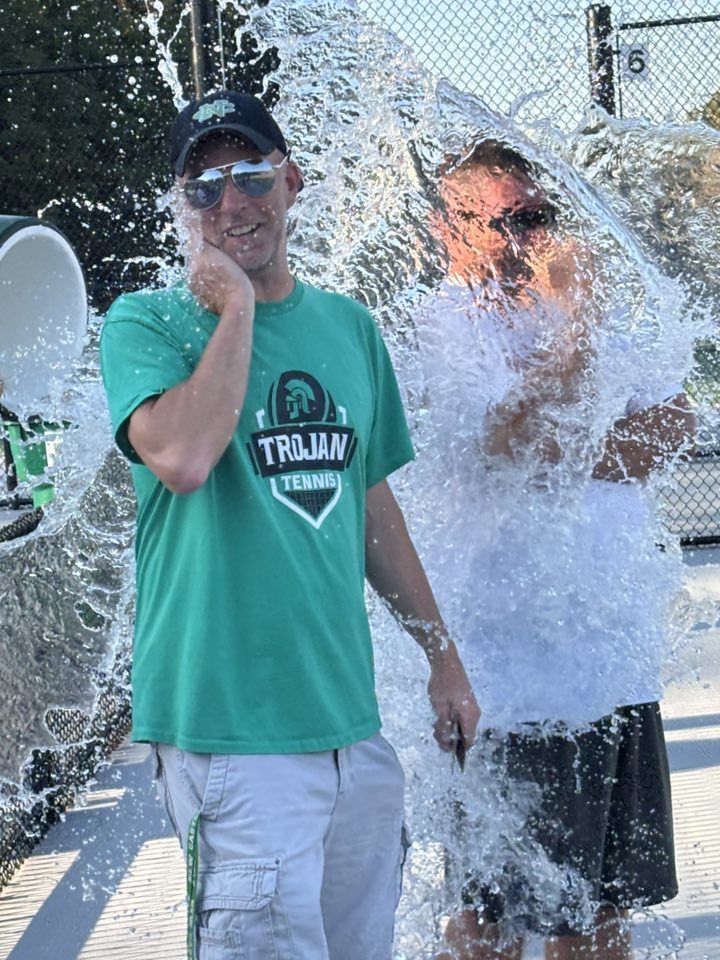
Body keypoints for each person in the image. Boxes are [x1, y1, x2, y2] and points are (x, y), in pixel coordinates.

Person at [99, 89, 480, 960]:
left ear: (292, 180)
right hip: (233, 742)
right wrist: (236, 309)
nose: (230, 202)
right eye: (203, 188)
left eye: (250, 175)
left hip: (350, 731)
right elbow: (184, 456)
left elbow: (370, 505)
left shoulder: (348, 327)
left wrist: (443, 656)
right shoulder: (148, 322)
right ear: (181, 209)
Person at [416, 140, 695, 960]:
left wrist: (570, 448)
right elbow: (507, 446)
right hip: (512, 688)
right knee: (492, 922)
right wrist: (573, 333)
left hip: (611, 671)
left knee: (603, 917)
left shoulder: (582, 313)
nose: (527, 241)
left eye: (539, 218)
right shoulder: (440, 327)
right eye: (504, 222)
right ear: (447, 229)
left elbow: (675, 422)